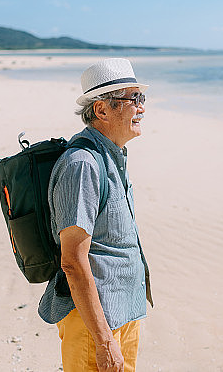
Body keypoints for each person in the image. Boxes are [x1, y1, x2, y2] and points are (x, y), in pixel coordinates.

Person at [39, 58, 153, 372]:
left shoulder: (112, 155)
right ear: (102, 110)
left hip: (123, 312)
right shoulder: (82, 164)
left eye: (141, 98)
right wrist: (104, 341)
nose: (141, 108)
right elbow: (73, 261)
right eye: (133, 100)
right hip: (95, 324)